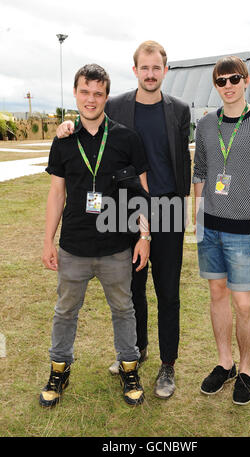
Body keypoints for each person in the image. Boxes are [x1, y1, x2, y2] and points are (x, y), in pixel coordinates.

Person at [56, 41, 191, 399]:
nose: (149, 74)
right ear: (135, 71)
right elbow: (90, 118)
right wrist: (65, 125)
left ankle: (168, 365)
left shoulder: (179, 110)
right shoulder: (115, 104)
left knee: (168, 292)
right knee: (133, 290)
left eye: (156, 68)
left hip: (168, 211)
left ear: (165, 70)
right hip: (124, 212)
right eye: (143, 68)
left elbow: (183, 162)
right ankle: (137, 351)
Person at [40, 63, 150, 408]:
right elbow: (56, 194)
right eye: (85, 92)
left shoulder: (126, 138)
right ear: (75, 93)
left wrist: (144, 236)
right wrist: (47, 241)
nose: (91, 99)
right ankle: (59, 370)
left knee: (124, 309)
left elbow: (141, 193)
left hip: (117, 246)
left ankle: (129, 369)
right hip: (73, 246)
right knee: (65, 311)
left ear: (106, 97)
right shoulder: (63, 140)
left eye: (98, 93)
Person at [193, 56, 250, 405]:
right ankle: (225, 363)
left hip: (247, 231)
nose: (228, 86)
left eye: (234, 79)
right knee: (217, 296)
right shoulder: (205, 125)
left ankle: (245, 370)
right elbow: (199, 173)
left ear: (246, 81)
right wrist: (197, 220)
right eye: (221, 81)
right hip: (211, 229)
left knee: (244, 304)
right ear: (215, 85)